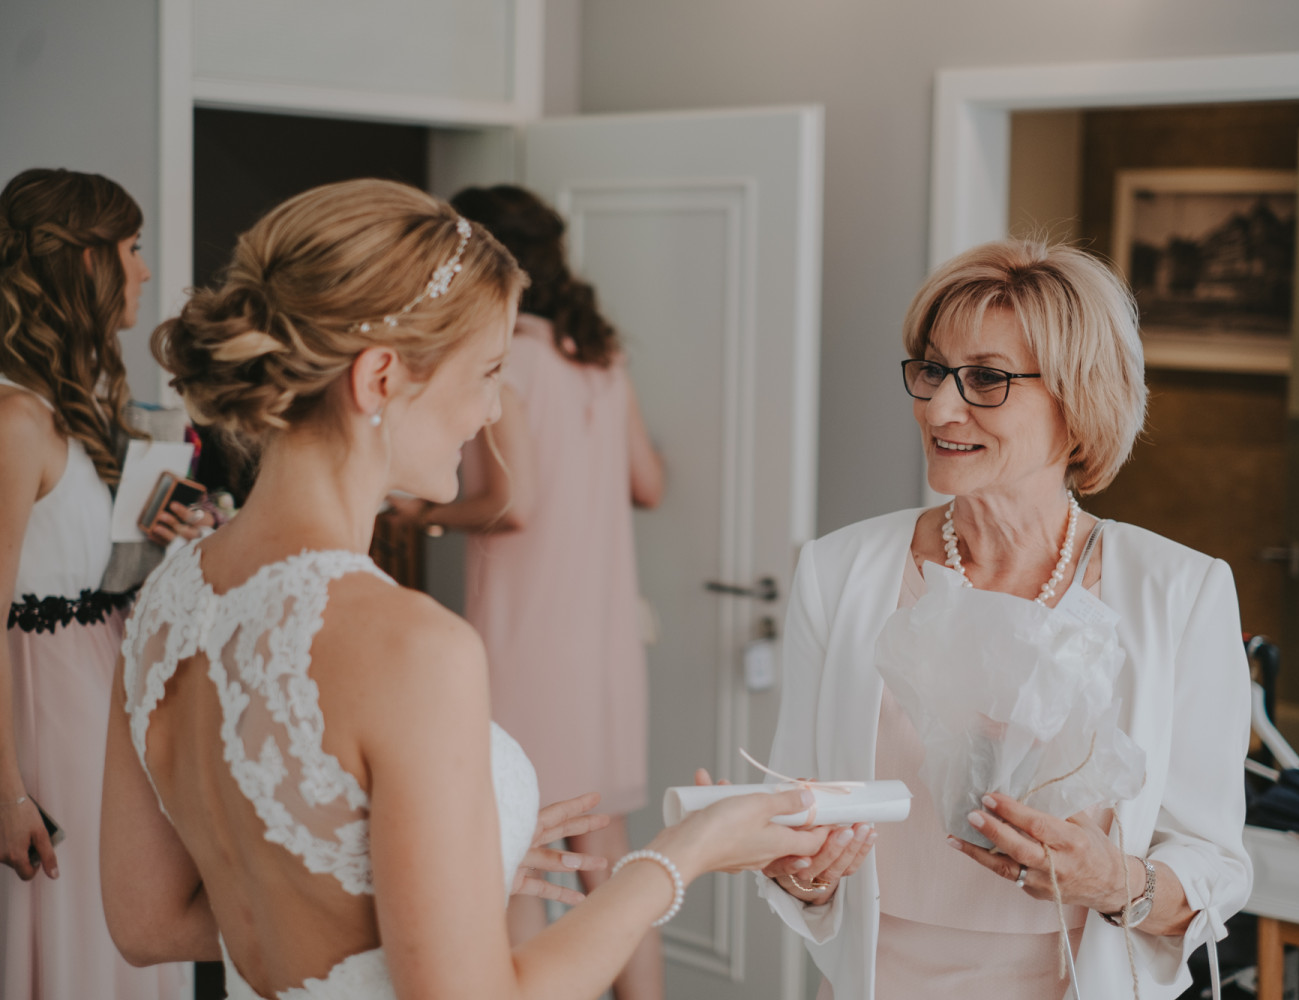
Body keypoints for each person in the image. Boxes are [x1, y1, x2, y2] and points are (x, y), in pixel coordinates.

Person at [99, 178, 826, 1000]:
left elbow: (145, 924)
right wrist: (686, 853)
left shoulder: (167, 602)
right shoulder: (414, 644)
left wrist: (436, 896)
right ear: (379, 379)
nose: (489, 414)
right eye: (487, 372)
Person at [757, 240, 1252, 1000]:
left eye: (986, 379)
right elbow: (800, 816)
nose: (939, 407)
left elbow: (1216, 867)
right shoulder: (838, 571)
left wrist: (1113, 880)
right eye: (931, 370)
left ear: (1080, 402)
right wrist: (802, 874)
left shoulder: (1180, 593)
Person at [394, 184, 666, 1000]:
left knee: (522, 851)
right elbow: (648, 483)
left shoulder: (507, 357)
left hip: (528, 636)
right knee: (611, 861)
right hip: (604, 640)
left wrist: (422, 516)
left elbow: (515, 505)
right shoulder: (601, 360)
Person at [0, 167, 190, 1000]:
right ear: (84, 260)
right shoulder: (13, 421)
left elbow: (93, 567)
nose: (145, 270)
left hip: (110, 690)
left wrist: (164, 539)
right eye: (134, 249)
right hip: (52, 708)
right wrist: (6, 792)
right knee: (88, 938)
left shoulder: (76, 408)